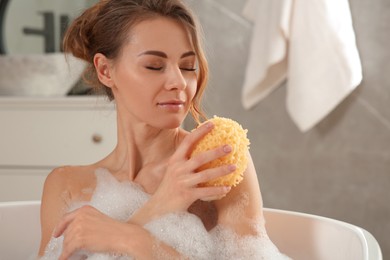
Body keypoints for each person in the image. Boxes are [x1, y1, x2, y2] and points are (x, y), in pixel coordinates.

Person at [38, 0, 287, 259]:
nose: (179, 82)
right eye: (154, 66)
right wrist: (158, 207)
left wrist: (131, 238)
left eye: (188, 67)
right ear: (105, 70)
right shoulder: (66, 185)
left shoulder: (215, 167)